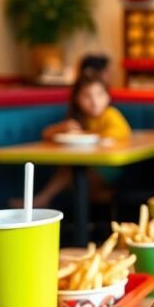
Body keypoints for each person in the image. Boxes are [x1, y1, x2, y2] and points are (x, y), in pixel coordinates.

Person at [26, 73, 132, 207]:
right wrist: (62, 128)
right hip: (88, 167)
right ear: (77, 99)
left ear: (107, 96)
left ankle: (41, 200)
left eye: (99, 95)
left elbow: (120, 132)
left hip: (110, 169)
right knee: (72, 167)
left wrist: (86, 134)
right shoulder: (78, 120)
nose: (94, 102)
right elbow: (46, 134)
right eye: (87, 96)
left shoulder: (111, 114)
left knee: (70, 169)